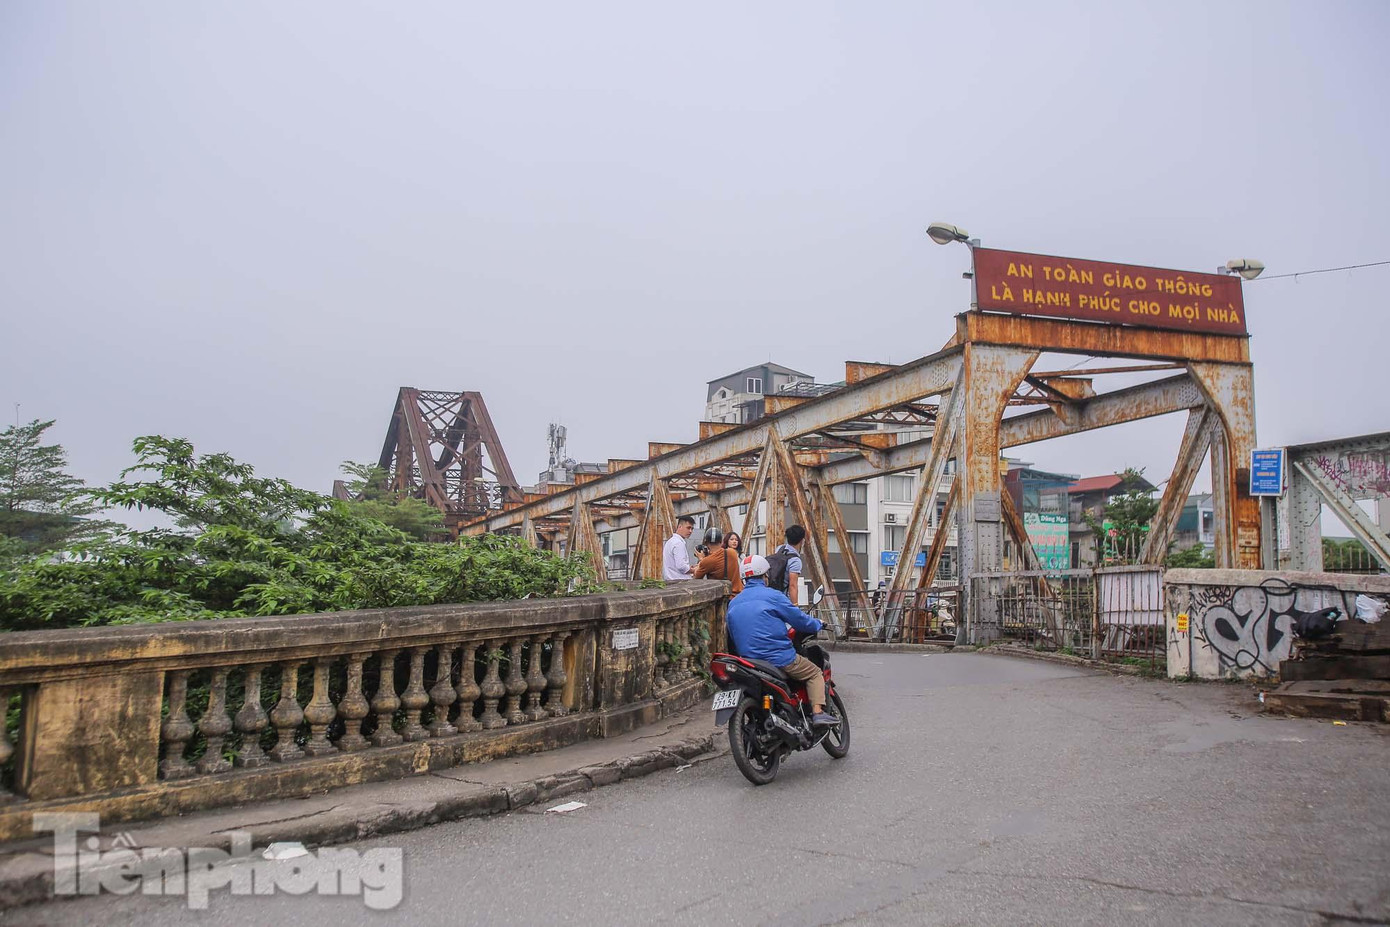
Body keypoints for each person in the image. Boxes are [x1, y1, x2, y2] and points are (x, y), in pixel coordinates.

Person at [727, 554, 837, 727]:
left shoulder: (733, 603)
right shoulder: (774, 596)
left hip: (749, 661)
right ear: (765, 575)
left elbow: (732, 634)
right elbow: (800, 620)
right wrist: (817, 624)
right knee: (815, 673)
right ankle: (817, 713)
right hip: (778, 658)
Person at [694, 527, 743, 594]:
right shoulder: (732, 552)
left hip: (723, 599)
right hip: (738, 594)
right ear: (721, 542)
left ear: (706, 542)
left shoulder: (706, 561)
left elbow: (696, 578)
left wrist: (701, 560)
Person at [773, 524, 806, 606]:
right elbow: (792, 585)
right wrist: (795, 606)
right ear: (802, 541)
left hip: (771, 595)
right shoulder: (795, 560)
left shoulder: (779, 549)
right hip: (783, 600)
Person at [662, 515, 696, 581]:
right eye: (688, 528)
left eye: (692, 528)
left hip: (671, 580)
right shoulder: (678, 543)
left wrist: (689, 568)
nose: (690, 531)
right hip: (680, 581)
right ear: (680, 527)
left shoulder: (670, 541)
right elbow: (681, 567)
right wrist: (694, 570)